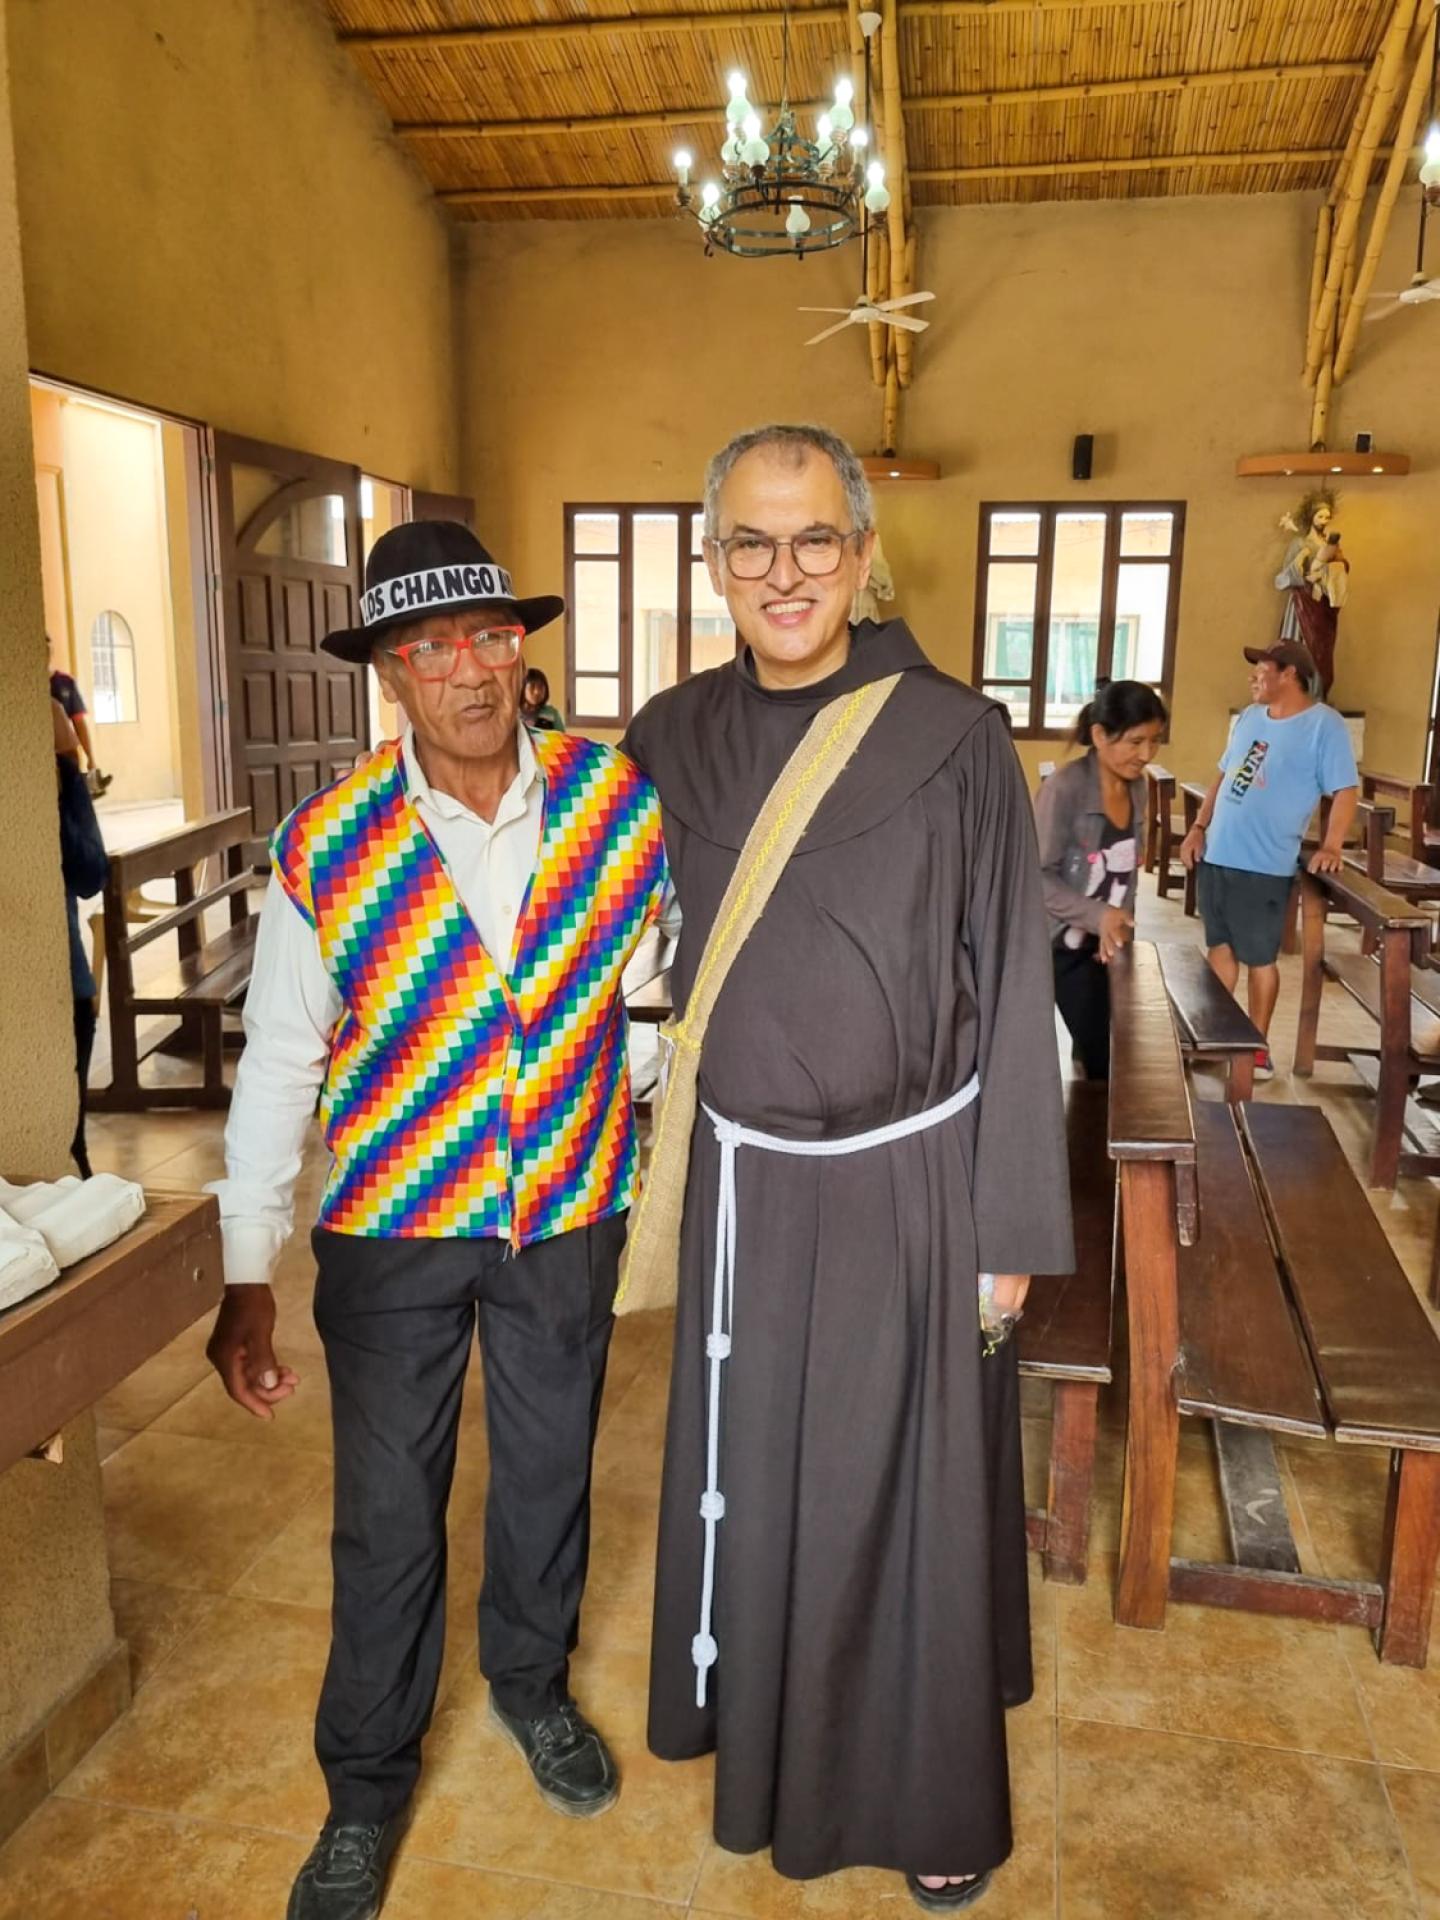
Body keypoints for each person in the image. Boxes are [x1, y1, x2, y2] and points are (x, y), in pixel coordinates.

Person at [622, 424, 1073, 1911]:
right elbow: (595, 941)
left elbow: (1018, 984)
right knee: (757, 1488)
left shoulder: (954, 736)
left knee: (902, 1498)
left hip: (909, 1188)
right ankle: (762, 1747)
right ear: (715, 565)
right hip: (745, 1192)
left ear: (864, 554)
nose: (786, 571)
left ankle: (926, 1791)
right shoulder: (668, 738)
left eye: (815, 537)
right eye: (751, 543)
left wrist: (1010, 1224)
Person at [204, 521, 670, 1920]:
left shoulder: (615, 800)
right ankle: (363, 1789)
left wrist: (632, 1078)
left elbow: (651, 980)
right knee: (389, 1515)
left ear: (520, 650)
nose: (465, 669)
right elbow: (281, 1060)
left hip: (565, 1211)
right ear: (389, 675)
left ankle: (530, 1687)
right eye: (427, 648)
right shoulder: (330, 843)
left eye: (486, 636)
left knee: (546, 1478)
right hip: (394, 1227)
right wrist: (245, 1268)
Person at [1181, 638, 1357, 1077]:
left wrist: (1332, 845)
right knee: (1220, 949)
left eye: (1261, 670)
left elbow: (1345, 790)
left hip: (1264, 865)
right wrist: (1199, 827)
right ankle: (1218, 1038)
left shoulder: (1324, 725)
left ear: (1289, 674)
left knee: (1260, 960)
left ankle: (1256, 1049)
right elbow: (1223, 776)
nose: (1252, 678)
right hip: (1218, 854)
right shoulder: (1249, 718)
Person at [1033, 679, 1168, 1080]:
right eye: (1135, 741)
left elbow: (1125, 874)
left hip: (1109, 946)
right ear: (1099, 735)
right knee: (1108, 1059)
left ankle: (1090, 1103)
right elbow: (1036, 877)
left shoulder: (1137, 787)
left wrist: (1119, 924)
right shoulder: (1064, 790)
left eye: (1154, 741)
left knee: (1111, 1052)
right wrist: (1098, 915)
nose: (1146, 754)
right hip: (1060, 946)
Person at [52, 697, 108, 1177]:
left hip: (68, 981)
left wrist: (62, 792)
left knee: (70, 1130)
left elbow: (92, 875)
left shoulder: (66, 786)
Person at [1274, 494, 1349, 699]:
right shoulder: (1300, 543)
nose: (1324, 521)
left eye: (1327, 517)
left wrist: (1328, 572)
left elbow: (1342, 566)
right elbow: (1283, 577)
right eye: (1320, 516)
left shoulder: (1329, 544)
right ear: (1311, 517)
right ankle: (1295, 692)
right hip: (1303, 604)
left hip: (1323, 604)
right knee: (1301, 647)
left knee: (1321, 650)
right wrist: (1303, 574)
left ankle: (1316, 693)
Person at [48, 634, 110, 792]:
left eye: (48, 643)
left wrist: (91, 759)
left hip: (65, 756)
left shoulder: (65, 682)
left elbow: (79, 723)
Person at [520, 665, 564, 730]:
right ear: (523, 688)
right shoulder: (513, 714)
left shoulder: (552, 714)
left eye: (541, 687)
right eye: (532, 687)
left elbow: (561, 735)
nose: (537, 692)